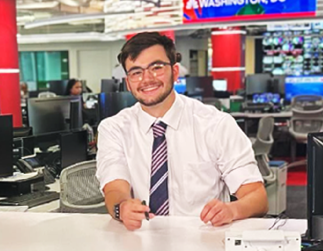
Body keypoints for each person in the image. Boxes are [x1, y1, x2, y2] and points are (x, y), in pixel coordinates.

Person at [94, 31, 267, 233]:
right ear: (128, 82)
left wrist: (232, 210)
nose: (147, 79)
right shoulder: (113, 129)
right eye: (136, 72)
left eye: (156, 68)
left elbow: (257, 197)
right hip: (140, 245)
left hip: (203, 247)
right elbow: (114, 189)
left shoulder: (216, 124)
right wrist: (121, 208)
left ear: (175, 72)